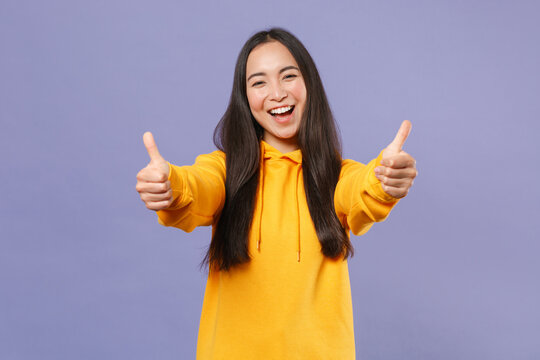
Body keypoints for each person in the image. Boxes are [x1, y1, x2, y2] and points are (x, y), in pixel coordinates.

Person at [136, 28, 417, 360]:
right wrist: (170, 186)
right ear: (245, 99)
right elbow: (198, 186)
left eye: (288, 76)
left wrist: (386, 180)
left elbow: (362, 189)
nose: (277, 93)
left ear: (309, 84)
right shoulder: (226, 171)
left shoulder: (337, 175)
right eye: (259, 82)